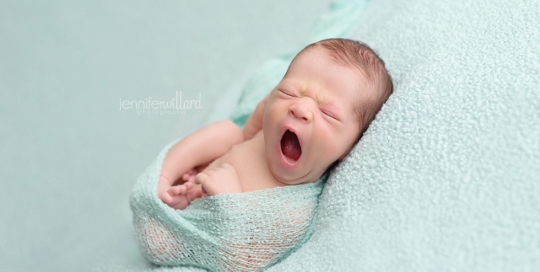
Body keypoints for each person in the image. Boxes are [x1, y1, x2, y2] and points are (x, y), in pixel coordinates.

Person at [157, 38, 393, 210]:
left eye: (327, 112)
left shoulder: (293, 207)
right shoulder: (265, 134)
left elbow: (247, 256)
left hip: (215, 222)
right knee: (227, 131)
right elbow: (248, 132)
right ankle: (164, 177)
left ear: (350, 147)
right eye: (289, 93)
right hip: (191, 186)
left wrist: (230, 202)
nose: (301, 108)